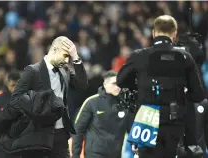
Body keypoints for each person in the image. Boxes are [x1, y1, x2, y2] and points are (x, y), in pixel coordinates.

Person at [117, 15, 205, 158]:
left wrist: (139, 86)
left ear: (153, 33)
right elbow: (198, 95)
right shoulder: (185, 57)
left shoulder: (139, 55)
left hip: (146, 121)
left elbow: (120, 80)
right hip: (174, 122)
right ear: (174, 34)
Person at [0, 36, 88, 158]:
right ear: (54, 49)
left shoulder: (64, 70)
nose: (67, 60)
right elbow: (16, 99)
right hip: (39, 134)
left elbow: (83, 85)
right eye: (65, 55)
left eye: (69, 57)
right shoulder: (33, 71)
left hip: (61, 134)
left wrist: (76, 57)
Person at [72, 70, 134, 158]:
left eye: (120, 84)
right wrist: (75, 155)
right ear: (105, 84)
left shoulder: (125, 105)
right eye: (114, 84)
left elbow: (132, 131)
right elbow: (78, 130)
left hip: (115, 155)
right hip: (94, 154)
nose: (118, 87)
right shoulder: (92, 102)